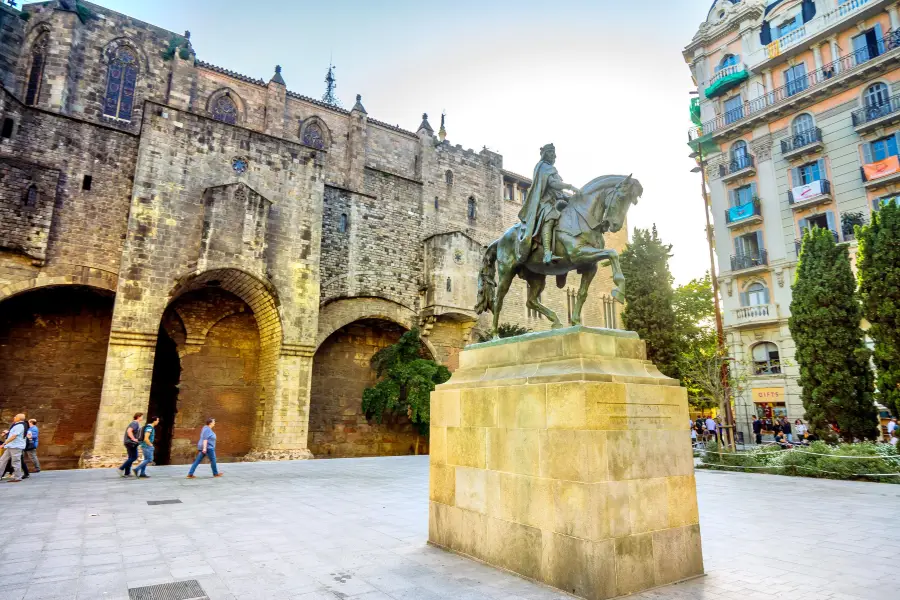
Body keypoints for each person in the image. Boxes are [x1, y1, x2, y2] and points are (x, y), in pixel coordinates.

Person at [517, 143, 579, 264]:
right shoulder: (544, 167)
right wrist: (569, 186)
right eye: (550, 152)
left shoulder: (552, 170)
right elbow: (553, 184)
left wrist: (568, 197)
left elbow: (557, 190)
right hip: (545, 203)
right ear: (545, 154)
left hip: (556, 201)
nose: (553, 155)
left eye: (554, 153)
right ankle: (547, 253)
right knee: (549, 219)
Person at [0, 413, 28, 482]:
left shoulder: (20, 425)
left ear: (19, 418)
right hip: (11, 446)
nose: (14, 417)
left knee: (15, 462)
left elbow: (14, 436)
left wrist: (4, 443)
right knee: (2, 460)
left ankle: (17, 477)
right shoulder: (17, 425)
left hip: (16, 446)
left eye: (15, 416)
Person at [117, 412, 143, 478]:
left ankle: (127, 473)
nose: (142, 418)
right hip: (131, 443)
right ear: (138, 417)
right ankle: (121, 468)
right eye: (142, 416)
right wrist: (134, 439)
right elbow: (129, 431)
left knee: (131, 457)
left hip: (129, 442)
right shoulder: (135, 423)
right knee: (134, 457)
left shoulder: (135, 423)